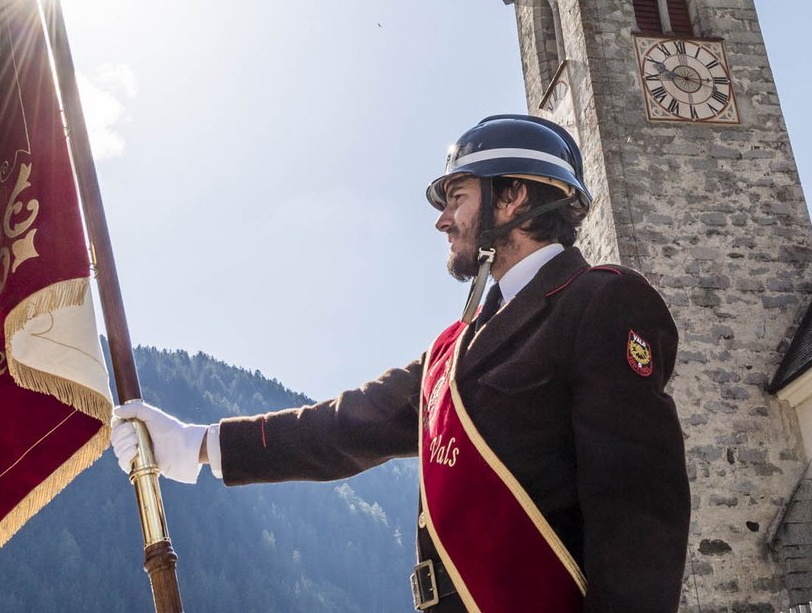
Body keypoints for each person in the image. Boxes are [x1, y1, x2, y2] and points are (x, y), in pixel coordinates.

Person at [111, 114, 690, 612]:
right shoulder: (450, 349)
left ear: (512, 197)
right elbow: (342, 427)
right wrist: (193, 444)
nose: (442, 220)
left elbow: (638, 515)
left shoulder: (602, 301)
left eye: (457, 198)